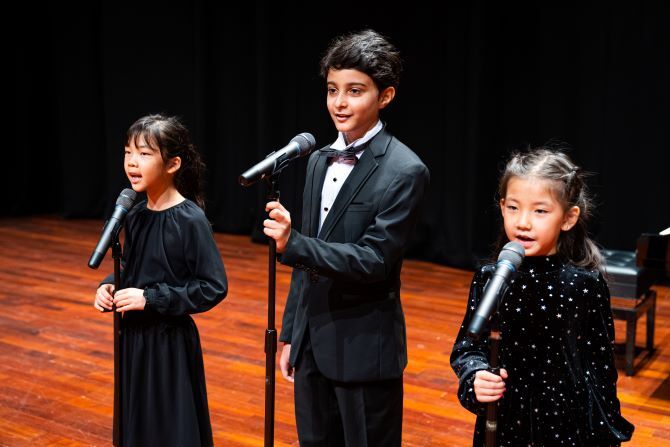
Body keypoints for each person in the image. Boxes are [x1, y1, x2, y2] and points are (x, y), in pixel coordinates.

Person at [263, 29, 429, 446]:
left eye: (355, 91)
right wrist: (291, 334)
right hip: (314, 343)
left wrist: (293, 242)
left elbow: (374, 261)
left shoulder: (405, 170)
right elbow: (308, 262)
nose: (339, 103)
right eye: (332, 90)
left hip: (364, 349)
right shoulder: (318, 159)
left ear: (385, 96)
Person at [451, 146, 634, 446]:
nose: (523, 222)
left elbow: (600, 366)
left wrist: (605, 431)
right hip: (505, 419)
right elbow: (467, 349)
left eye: (540, 210)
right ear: (501, 207)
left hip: (565, 423)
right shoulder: (489, 279)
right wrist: (475, 378)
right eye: (513, 207)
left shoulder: (585, 285)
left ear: (568, 217)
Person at [93, 114, 228, 447]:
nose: (132, 163)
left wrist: (150, 298)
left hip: (169, 343)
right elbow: (136, 268)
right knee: (137, 422)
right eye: (128, 153)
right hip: (133, 338)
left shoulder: (190, 219)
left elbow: (213, 286)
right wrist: (111, 283)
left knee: (170, 427)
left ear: (173, 164)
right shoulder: (134, 215)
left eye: (144, 153)